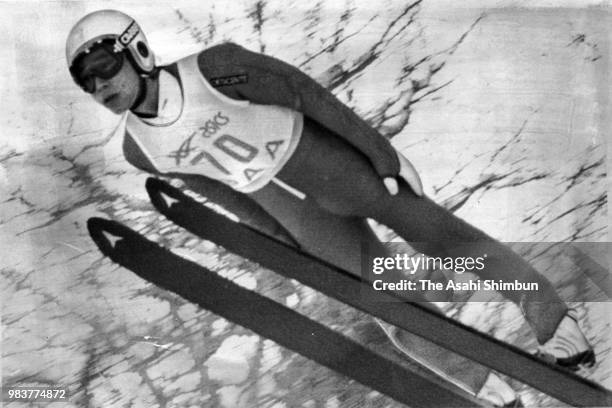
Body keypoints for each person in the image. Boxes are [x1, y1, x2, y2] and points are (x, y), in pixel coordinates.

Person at [65, 9, 595, 406]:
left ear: (135, 52)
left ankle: (559, 330)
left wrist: (381, 154)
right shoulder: (141, 149)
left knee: (452, 244)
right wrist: (278, 242)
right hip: (297, 213)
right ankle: (496, 391)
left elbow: (306, 94)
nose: (101, 85)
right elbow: (222, 194)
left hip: (333, 168)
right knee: (386, 303)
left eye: (105, 67)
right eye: (87, 81)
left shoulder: (214, 69)